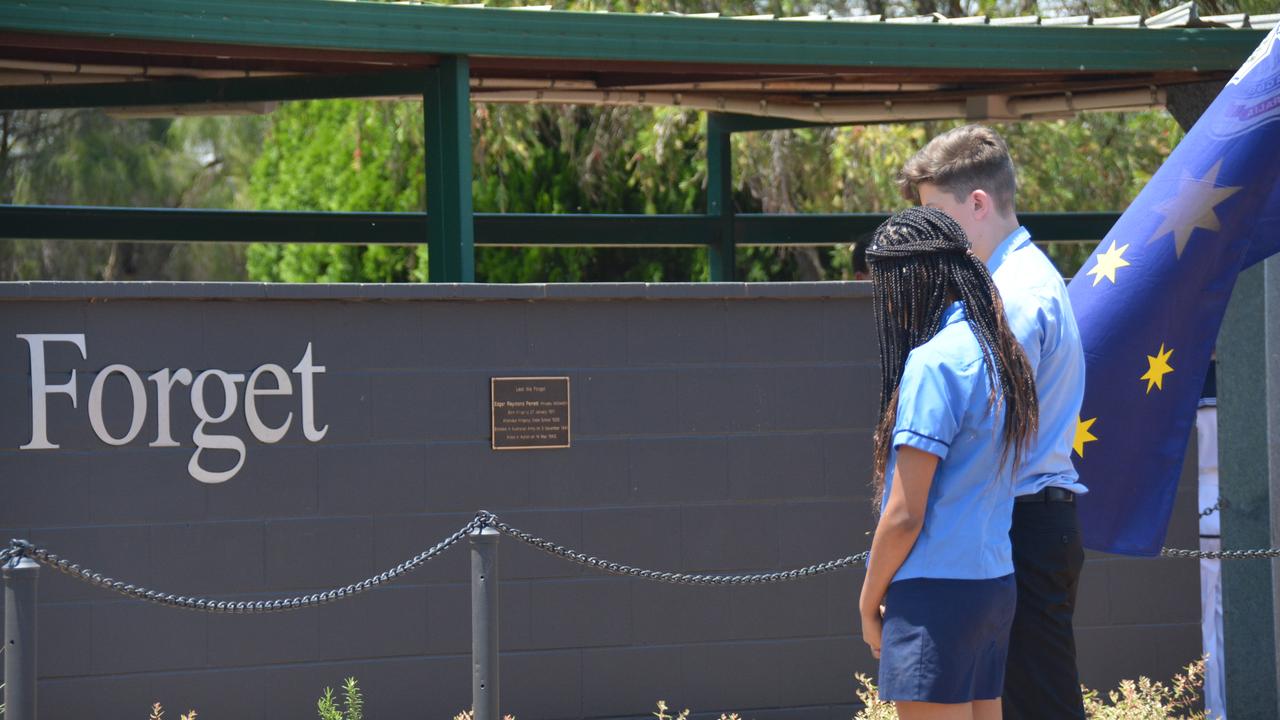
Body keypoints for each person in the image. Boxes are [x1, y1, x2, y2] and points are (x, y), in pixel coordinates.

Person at [897, 125, 1088, 720]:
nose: (929, 234)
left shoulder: (1017, 295)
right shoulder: (1015, 282)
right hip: (1023, 525)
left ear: (977, 204)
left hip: (1020, 525)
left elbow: (979, 420)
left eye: (936, 214)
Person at [859, 206, 1040, 720]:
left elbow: (904, 515)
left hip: (935, 596)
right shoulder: (1001, 354)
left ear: (913, 279)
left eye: (887, 286)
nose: (886, 304)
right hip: (993, 587)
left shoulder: (933, 363)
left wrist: (867, 603)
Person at [1197, 359, 1226, 719]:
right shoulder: (1241, 372)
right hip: (1231, 503)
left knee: (1207, 621)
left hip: (1201, 501)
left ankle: (1214, 710)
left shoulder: (1190, 374)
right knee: (1220, 618)